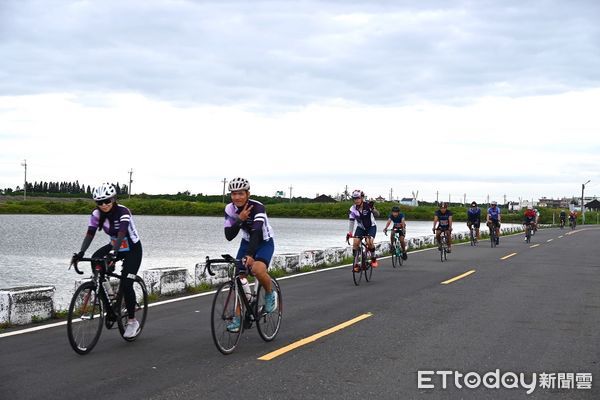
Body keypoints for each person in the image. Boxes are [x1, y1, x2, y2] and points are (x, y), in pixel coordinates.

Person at [70, 183, 143, 339]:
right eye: (99, 202)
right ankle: (109, 302)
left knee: (126, 283)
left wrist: (113, 253)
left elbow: (122, 233)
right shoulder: (97, 214)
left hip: (132, 250)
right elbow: (90, 233)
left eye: (107, 201)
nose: (103, 205)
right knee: (95, 260)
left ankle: (132, 321)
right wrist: (80, 252)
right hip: (114, 246)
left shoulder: (123, 212)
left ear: (114, 199)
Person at [223, 177, 277, 333]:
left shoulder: (258, 207)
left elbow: (257, 231)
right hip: (246, 242)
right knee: (239, 280)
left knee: (257, 270)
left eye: (240, 193)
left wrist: (251, 255)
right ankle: (239, 317)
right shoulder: (230, 209)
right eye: (233, 194)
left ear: (248, 194)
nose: (237, 197)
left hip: (264, 241)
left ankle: (269, 294)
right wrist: (239, 219)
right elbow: (228, 235)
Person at [347, 189, 380, 270]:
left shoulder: (368, 205)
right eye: (355, 199)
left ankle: (373, 258)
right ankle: (355, 264)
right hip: (361, 228)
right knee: (355, 242)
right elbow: (351, 222)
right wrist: (350, 233)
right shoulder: (352, 209)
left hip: (371, 227)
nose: (356, 200)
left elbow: (377, 214)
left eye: (358, 198)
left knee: (369, 242)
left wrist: (373, 209)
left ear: (362, 198)